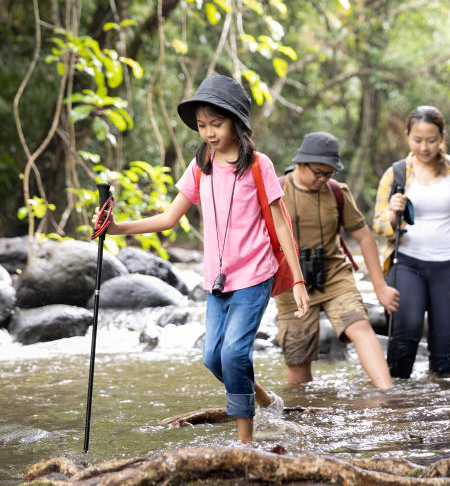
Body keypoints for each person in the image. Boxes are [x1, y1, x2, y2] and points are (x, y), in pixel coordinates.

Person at [101, 74, 310, 444]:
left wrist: (297, 280)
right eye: (201, 125)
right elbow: (168, 218)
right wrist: (116, 228)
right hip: (218, 279)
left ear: (237, 122)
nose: (209, 132)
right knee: (214, 358)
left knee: (233, 353)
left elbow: (281, 225)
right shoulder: (201, 166)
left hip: (256, 273)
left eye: (217, 123)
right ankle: (263, 397)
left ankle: (246, 443)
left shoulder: (259, 166)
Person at [372, 106, 450, 379]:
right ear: (407, 137)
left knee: (444, 341)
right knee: (406, 333)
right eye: (417, 140)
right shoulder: (396, 174)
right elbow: (379, 225)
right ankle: (396, 402)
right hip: (406, 264)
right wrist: (393, 212)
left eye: (431, 140)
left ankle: (440, 406)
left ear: (442, 137)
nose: (424, 147)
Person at [275, 132, 398, 389]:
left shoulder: (337, 193)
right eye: (318, 172)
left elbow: (365, 238)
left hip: (334, 276)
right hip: (291, 281)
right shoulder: (276, 191)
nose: (323, 179)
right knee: (298, 358)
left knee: (360, 326)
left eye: (329, 174)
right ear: (300, 163)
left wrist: (380, 287)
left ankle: (387, 395)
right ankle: (305, 415)